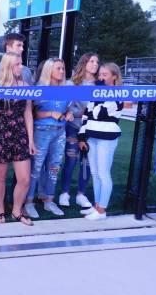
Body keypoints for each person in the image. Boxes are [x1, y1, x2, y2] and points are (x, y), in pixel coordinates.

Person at [0, 52, 35, 226]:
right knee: (0, 176)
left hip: (20, 134)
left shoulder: (26, 86)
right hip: (0, 133)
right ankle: (0, 209)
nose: (20, 67)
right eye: (17, 64)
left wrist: (30, 139)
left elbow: (28, 113)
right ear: (7, 66)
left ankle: (16, 210)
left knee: (24, 178)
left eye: (21, 64)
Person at [24, 58, 72, 219]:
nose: (62, 71)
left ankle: (49, 200)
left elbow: (67, 109)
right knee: (36, 167)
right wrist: (50, 114)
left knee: (54, 167)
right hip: (42, 131)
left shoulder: (66, 89)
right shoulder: (39, 88)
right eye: (58, 68)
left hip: (60, 131)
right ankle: (29, 202)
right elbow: (31, 113)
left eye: (63, 68)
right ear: (49, 70)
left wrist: (68, 114)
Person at [78, 63, 124, 220]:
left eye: (105, 74)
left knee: (104, 173)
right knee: (95, 173)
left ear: (114, 77)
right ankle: (97, 206)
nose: (101, 77)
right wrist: (82, 136)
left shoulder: (119, 93)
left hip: (107, 137)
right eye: (100, 75)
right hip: (92, 136)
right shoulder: (96, 93)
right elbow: (86, 115)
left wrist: (95, 100)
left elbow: (98, 113)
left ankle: (102, 210)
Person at [59, 53, 99, 208]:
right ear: (84, 63)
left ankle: (81, 194)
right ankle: (65, 193)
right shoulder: (71, 83)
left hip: (91, 129)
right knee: (71, 160)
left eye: (97, 61)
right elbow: (66, 107)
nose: (95, 64)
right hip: (73, 128)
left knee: (87, 163)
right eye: (92, 61)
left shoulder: (100, 86)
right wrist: (77, 113)